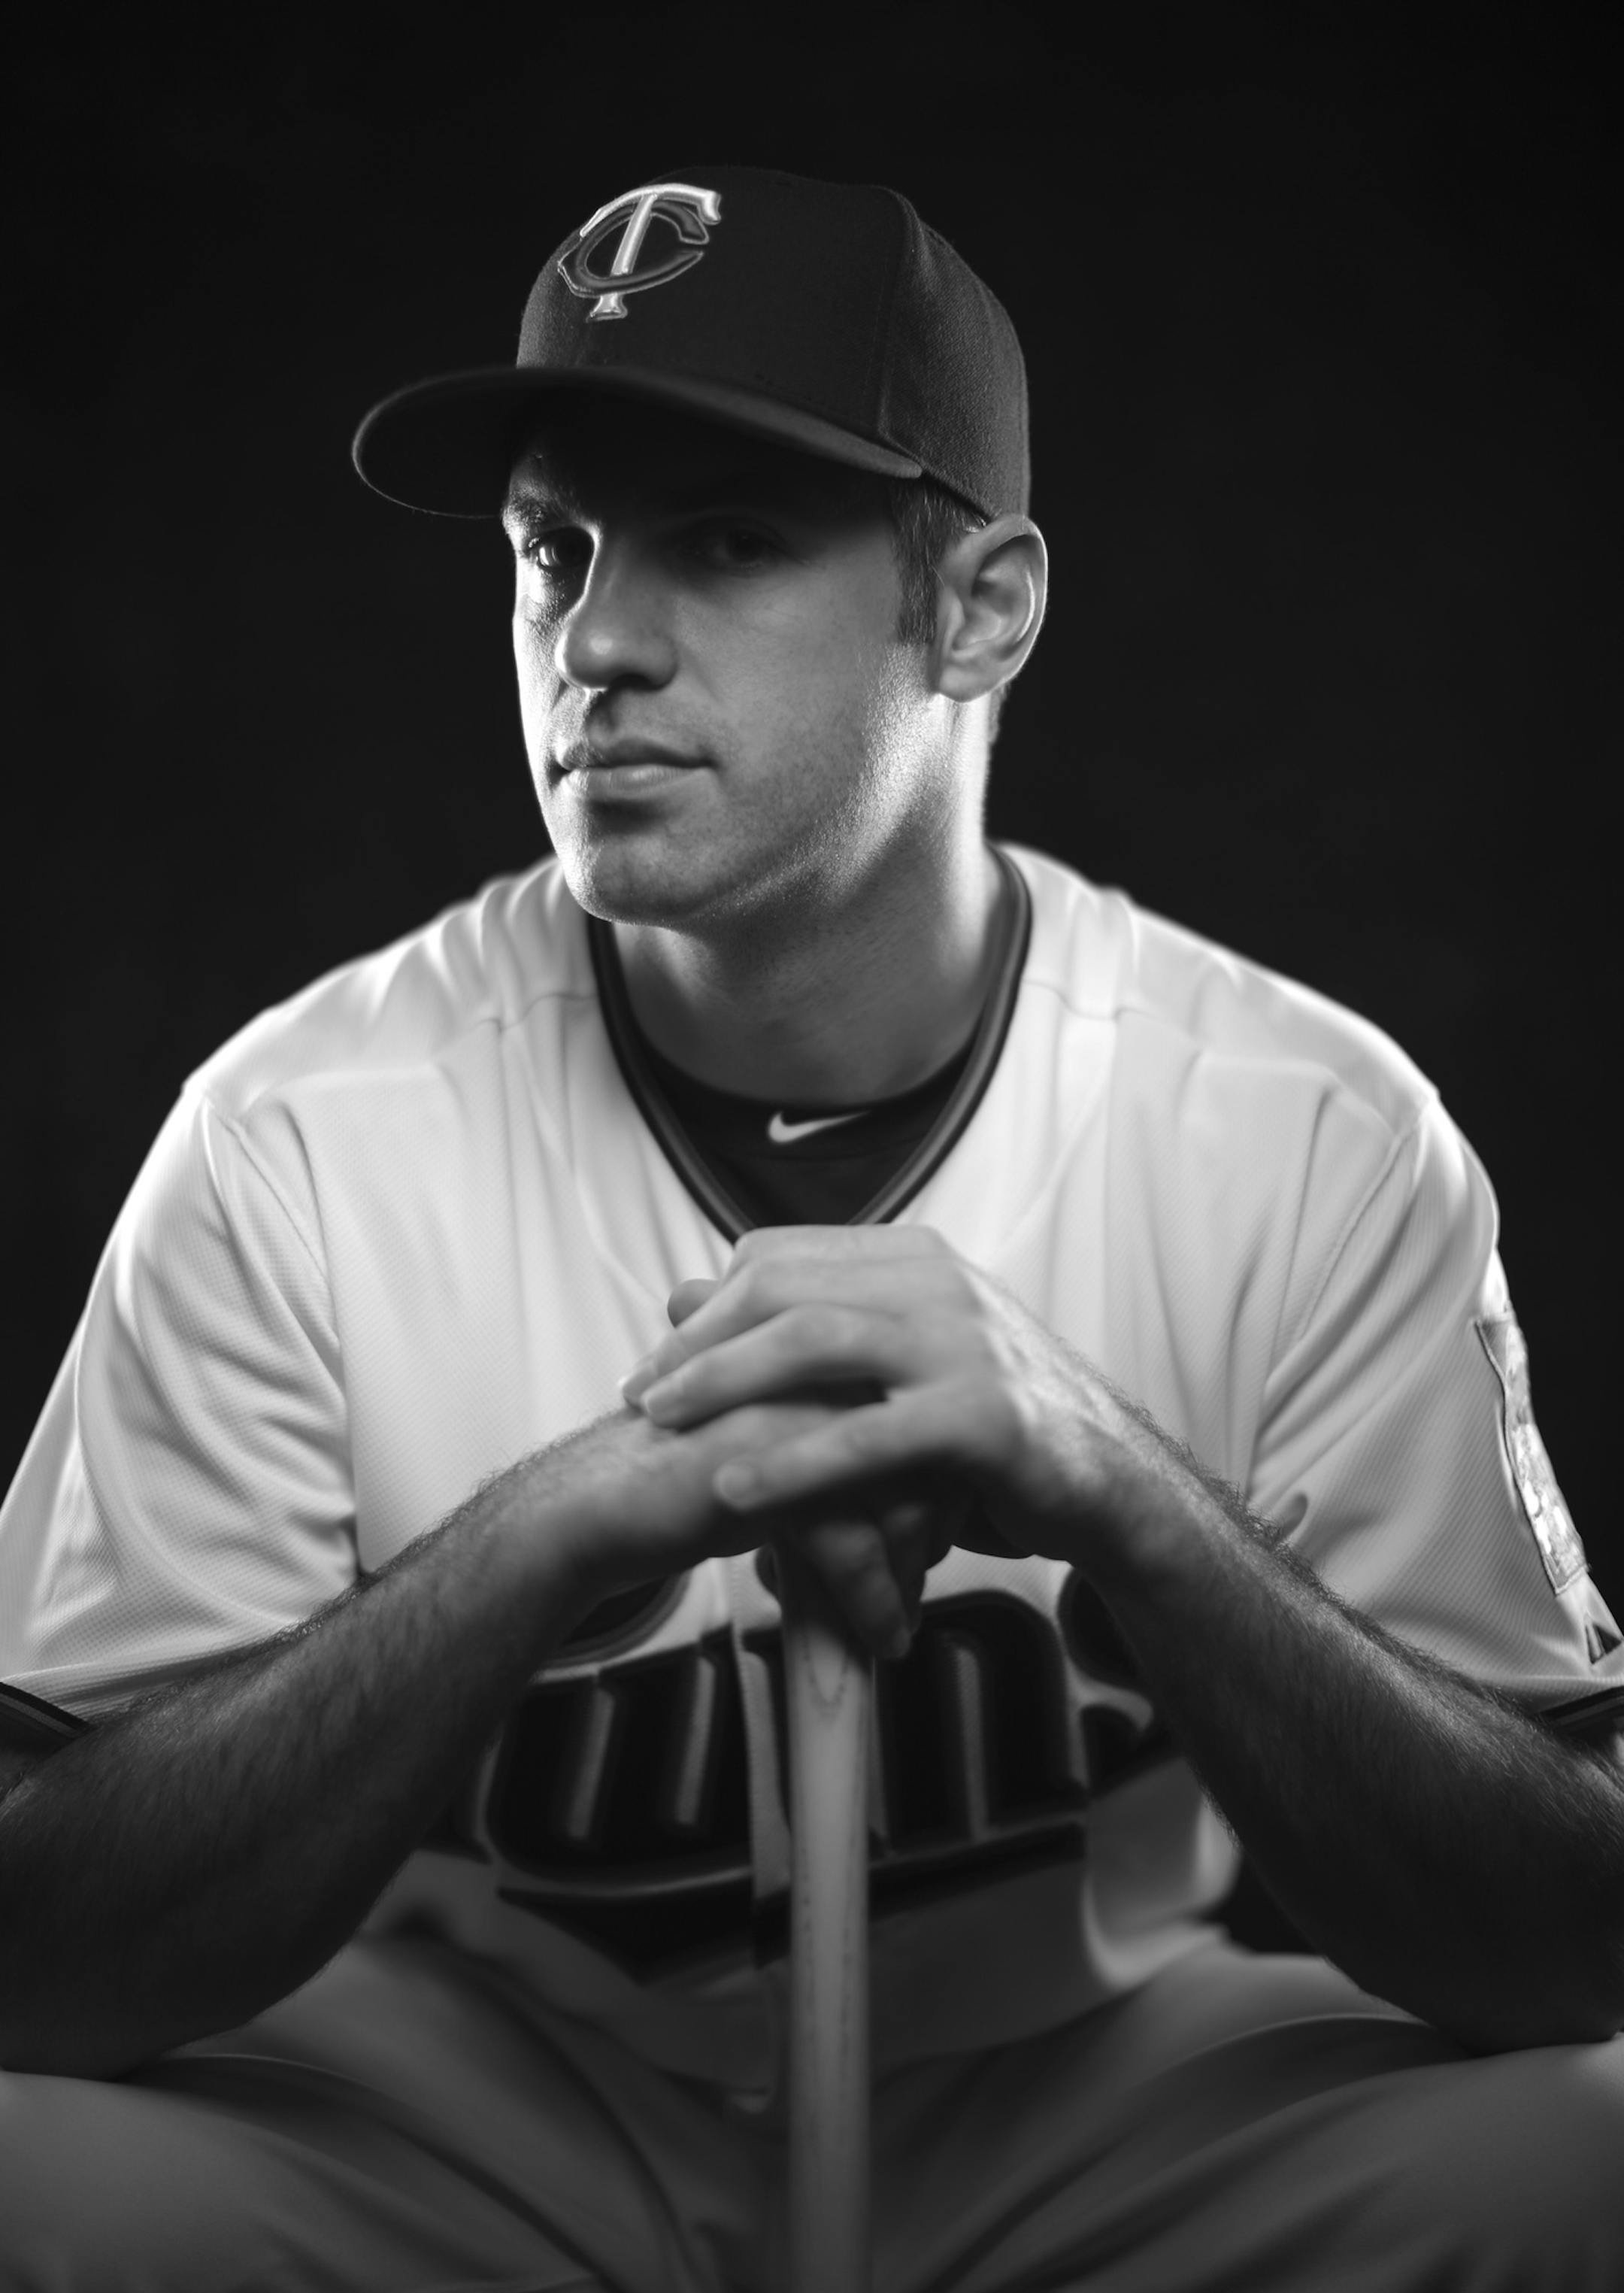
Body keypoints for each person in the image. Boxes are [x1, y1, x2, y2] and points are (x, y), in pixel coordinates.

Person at [2, 162, 1624, 2293]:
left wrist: (1119, 1493)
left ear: (984, 608)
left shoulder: (1304, 1131)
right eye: (552, 551)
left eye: (729, 540)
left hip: (1084, 2091)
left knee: (1583, 2149)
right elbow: (39, 1954)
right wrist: (541, 1535)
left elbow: (1568, 1931)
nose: (595, 640)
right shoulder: (298, 1134)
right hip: (475, 2101)